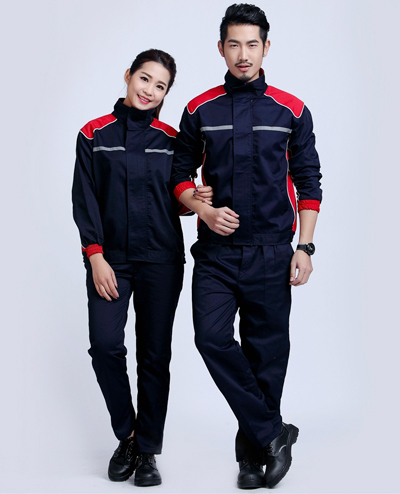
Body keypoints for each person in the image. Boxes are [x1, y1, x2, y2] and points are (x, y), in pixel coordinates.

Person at [171, 4, 322, 489]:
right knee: (210, 338)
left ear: (266, 47)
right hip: (216, 254)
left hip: (273, 251)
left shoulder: (291, 109)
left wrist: (305, 248)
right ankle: (275, 433)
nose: (243, 54)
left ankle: (252, 459)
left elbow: (309, 181)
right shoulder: (199, 109)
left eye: (252, 44)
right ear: (221, 48)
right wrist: (203, 210)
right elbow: (178, 175)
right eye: (233, 44)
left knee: (266, 357)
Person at [72, 49, 212, 487]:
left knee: (154, 355)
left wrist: (195, 202)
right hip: (110, 259)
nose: (149, 90)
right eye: (145, 78)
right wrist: (95, 256)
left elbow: (179, 195)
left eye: (160, 86)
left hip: (161, 260)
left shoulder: (172, 138)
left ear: (166, 94)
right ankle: (128, 435)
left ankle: (148, 450)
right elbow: (85, 198)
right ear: (128, 75)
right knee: (105, 346)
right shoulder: (93, 134)